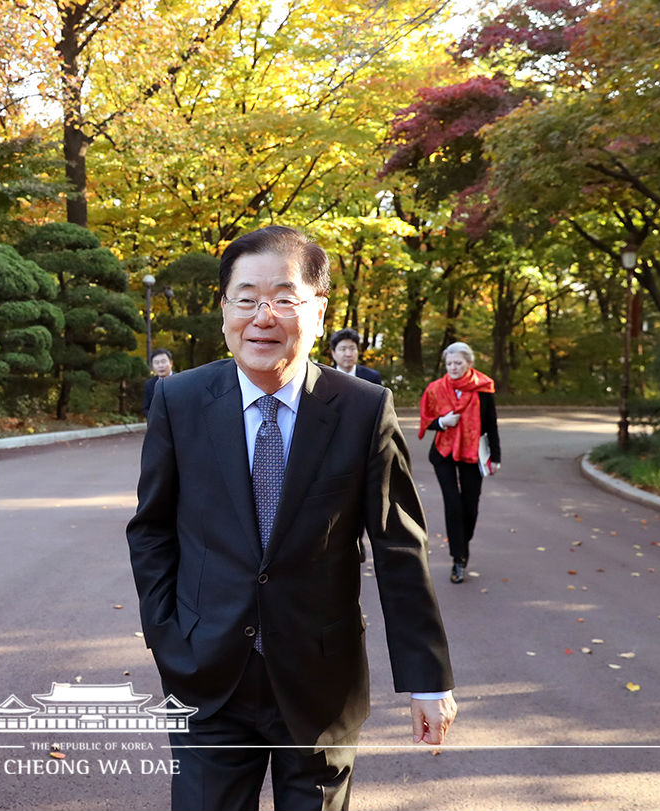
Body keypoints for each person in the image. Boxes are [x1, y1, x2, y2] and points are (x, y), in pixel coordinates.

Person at [127, 225, 456, 811]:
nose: (263, 316)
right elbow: (152, 528)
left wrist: (427, 678)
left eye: (284, 298)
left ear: (319, 312)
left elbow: (399, 544)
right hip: (207, 676)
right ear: (224, 309)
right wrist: (166, 636)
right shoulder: (179, 401)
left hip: (318, 680)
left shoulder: (361, 408)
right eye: (246, 298)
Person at [418, 341, 501, 584]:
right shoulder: (435, 389)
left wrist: (495, 457)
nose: (453, 367)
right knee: (453, 503)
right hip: (443, 453)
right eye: (449, 363)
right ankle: (458, 559)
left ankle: (462, 543)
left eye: (458, 363)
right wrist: (443, 422)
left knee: (470, 506)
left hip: (473, 453)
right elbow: (427, 420)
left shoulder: (483, 388)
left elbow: (491, 425)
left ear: (469, 364)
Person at [142, 347, 175, 417]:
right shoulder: (149, 384)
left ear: (171, 363)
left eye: (163, 361)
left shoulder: (181, 380)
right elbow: (146, 408)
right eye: (156, 363)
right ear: (152, 366)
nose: (160, 365)